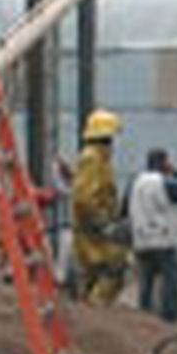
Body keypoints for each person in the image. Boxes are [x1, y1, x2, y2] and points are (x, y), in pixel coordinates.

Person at [71, 109, 128, 305]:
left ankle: (90, 311)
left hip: (93, 227)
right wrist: (102, 223)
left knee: (95, 274)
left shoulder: (99, 159)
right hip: (92, 229)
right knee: (113, 268)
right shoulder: (93, 159)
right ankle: (96, 310)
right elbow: (85, 197)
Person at [127, 148, 177, 323]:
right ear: (163, 163)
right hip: (164, 240)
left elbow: (124, 210)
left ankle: (144, 317)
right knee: (171, 283)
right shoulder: (166, 182)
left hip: (140, 240)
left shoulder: (135, 182)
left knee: (146, 283)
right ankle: (170, 318)